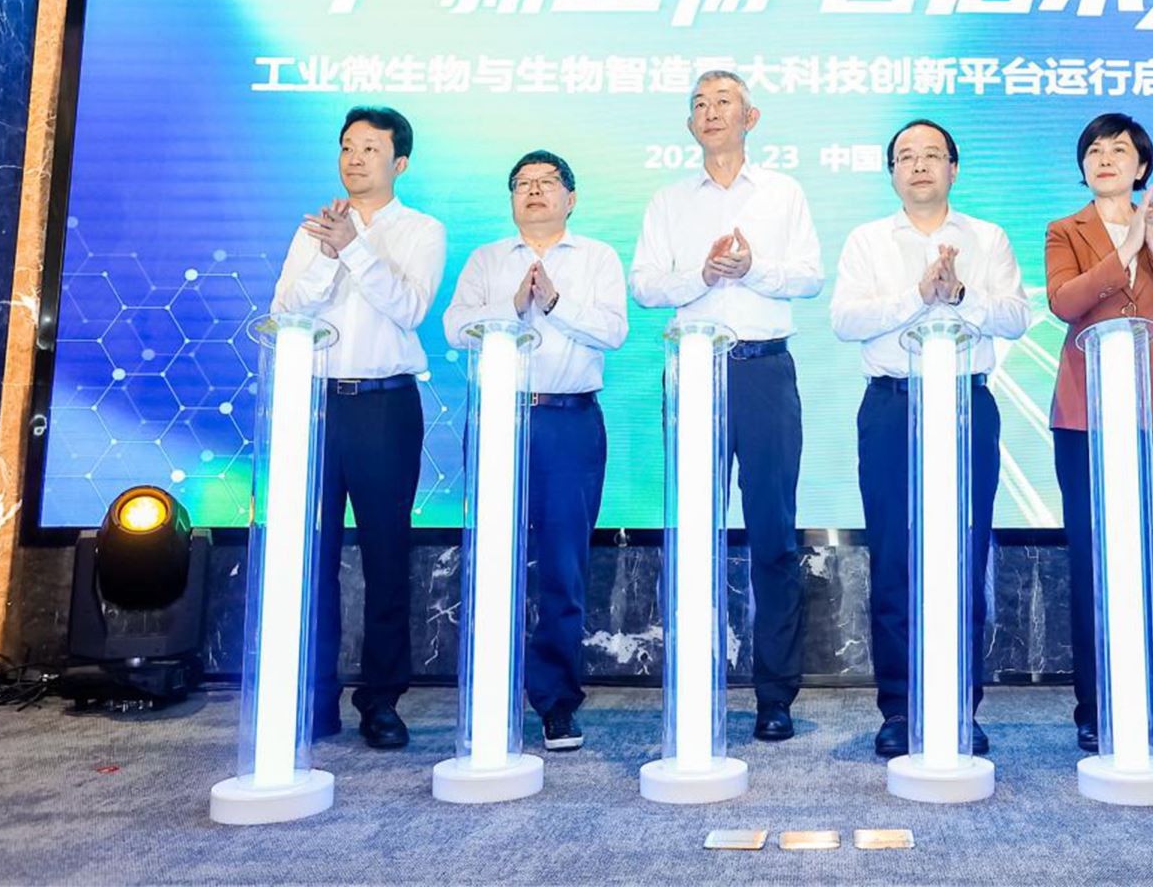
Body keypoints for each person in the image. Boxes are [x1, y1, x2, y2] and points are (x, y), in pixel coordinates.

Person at [629, 70, 823, 741]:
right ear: (690, 125)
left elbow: (809, 276)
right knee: (693, 531)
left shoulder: (782, 193)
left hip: (764, 370)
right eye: (699, 105)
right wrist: (703, 276)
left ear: (751, 117)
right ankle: (694, 686)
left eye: (723, 103)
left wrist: (751, 269)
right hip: (693, 372)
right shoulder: (668, 201)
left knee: (773, 534)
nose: (710, 113)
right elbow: (644, 286)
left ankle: (774, 695)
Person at [830, 119, 1032, 758]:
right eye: (906, 157)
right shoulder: (867, 240)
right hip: (893, 408)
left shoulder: (987, 238)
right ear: (892, 172)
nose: (919, 165)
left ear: (953, 168)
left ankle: (959, 706)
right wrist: (917, 297)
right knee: (894, 558)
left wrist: (960, 293)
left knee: (964, 558)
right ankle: (899, 707)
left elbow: (1016, 316)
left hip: (968, 405)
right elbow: (845, 320)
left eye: (932, 155)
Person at [443, 150, 628, 752]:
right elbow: (454, 327)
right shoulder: (487, 259)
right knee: (493, 560)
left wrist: (554, 303)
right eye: (522, 183)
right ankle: (490, 699)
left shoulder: (597, 258)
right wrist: (513, 306)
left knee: (562, 567)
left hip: (569, 421)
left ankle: (556, 702)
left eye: (547, 183)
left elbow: (614, 332)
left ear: (571, 198)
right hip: (498, 417)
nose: (534, 191)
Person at [272, 106, 445, 749]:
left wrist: (355, 249)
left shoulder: (422, 231)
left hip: (384, 407)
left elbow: (409, 307)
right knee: (310, 555)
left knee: (385, 556)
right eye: (347, 146)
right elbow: (287, 309)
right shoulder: (313, 230)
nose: (354, 157)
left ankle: (381, 700)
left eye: (370, 148)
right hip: (316, 404)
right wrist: (328, 252)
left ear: (400, 163)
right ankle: (314, 696)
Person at [1044, 112, 1153, 754]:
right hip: (1086, 413)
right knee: (1093, 559)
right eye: (1094, 150)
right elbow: (1065, 301)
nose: (1105, 158)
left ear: (1141, 167)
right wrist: (1125, 249)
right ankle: (1096, 705)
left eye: (1118, 150)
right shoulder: (1065, 230)